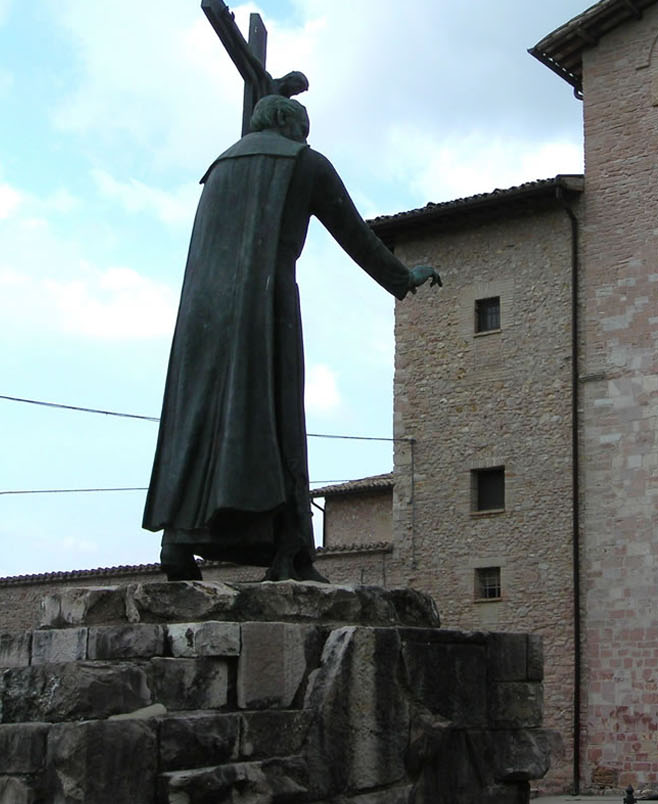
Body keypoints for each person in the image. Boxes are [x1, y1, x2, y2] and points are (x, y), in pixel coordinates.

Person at [143, 94, 439, 582]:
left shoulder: (218, 168)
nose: (306, 135)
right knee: (274, 416)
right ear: (286, 121)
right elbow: (354, 233)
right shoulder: (305, 163)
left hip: (200, 310)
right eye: (303, 126)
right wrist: (403, 277)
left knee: (196, 416)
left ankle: (178, 541)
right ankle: (290, 550)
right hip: (263, 303)